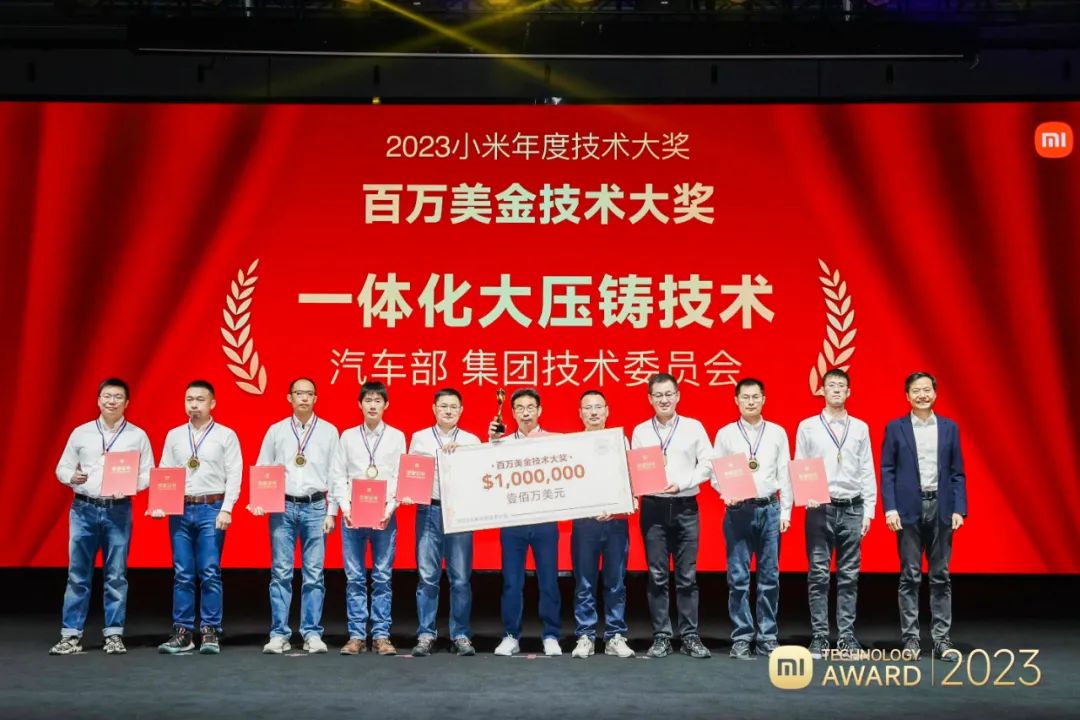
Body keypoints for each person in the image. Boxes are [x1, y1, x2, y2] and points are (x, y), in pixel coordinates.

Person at [50, 378, 154, 655]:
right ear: (98, 400)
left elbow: (148, 473)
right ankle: (70, 635)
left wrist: (131, 485)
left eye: (118, 397)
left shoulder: (137, 435)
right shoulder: (81, 433)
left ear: (127, 403)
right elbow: (62, 468)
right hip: (83, 509)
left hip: (118, 509)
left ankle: (114, 634)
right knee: (78, 574)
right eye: (107, 396)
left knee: (116, 575)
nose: (112, 401)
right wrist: (71, 476)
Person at [881, 371, 967, 662]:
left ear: (935, 393)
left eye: (927, 389)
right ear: (907, 396)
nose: (922, 395)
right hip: (907, 510)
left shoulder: (949, 427)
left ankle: (942, 640)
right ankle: (911, 640)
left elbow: (957, 472)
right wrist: (890, 509)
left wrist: (959, 508)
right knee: (910, 575)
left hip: (941, 507)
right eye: (916, 391)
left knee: (941, 576)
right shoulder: (896, 428)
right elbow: (887, 470)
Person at [253, 377, 342, 655]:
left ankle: (312, 633)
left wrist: (332, 511)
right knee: (280, 572)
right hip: (283, 506)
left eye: (309, 393)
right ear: (289, 397)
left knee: (314, 574)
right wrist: (260, 500)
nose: (304, 398)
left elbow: (336, 474)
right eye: (299, 393)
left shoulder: (329, 431)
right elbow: (264, 467)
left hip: (316, 507)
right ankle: (279, 633)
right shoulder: (277, 430)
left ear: (316, 398)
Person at [154, 380, 243, 655]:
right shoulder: (174, 436)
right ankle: (182, 632)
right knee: (182, 572)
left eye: (200, 400)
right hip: (180, 509)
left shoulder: (226, 435)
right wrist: (160, 503)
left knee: (209, 571)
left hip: (211, 508)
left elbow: (235, 474)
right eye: (189, 399)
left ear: (212, 403)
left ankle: (210, 630)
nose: (194, 405)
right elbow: (166, 471)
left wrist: (227, 508)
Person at [793, 369, 875, 659]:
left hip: (852, 507)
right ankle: (819, 637)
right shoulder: (808, 426)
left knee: (849, 575)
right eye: (831, 385)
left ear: (849, 392)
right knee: (818, 574)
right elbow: (800, 463)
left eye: (842, 385)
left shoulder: (860, 427)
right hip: (820, 508)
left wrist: (869, 510)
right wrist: (805, 493)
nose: (837, 389)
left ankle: (846, 637)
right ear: (823, 390)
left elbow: (867, 469)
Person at [630, 373, 713, 660]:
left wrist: (685, 482)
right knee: (657, 575)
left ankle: (690, 636)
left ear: (678, 396)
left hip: (685, 505)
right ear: (649, 399)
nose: (664, 399)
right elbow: (636, 469)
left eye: (669, 394)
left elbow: (708, 463)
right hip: (653, 507)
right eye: (658, 395)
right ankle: (662, 636)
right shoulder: (641, 431)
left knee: (687, 575)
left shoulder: (693, 427)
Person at [713, 377, 793, 660]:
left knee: (770, 577)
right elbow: (716, 473)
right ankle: (742, 637)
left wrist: (786, 511)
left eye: (755, 397)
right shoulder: (726, 434)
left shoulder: (777, 432)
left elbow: (785, 473)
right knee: (738, 578)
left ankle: (768, 637)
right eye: (745, 397)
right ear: (736, 401)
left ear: (764, 399)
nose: (750, 402)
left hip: (770, 509)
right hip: (738, 511)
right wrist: (725, 492)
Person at [405, 388, 481, 657]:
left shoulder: (471, 440)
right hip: (429, 509)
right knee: (428, 577)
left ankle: (460, 634)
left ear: (461, 410)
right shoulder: (420, 438)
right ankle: (426, 634)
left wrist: (462, 455)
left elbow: (479, 477)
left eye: (453, 407)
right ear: (434, 409)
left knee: (460, 578)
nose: (448, 411)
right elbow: (413, 473)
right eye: (443, 406)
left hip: (459, 512)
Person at [333, 380, 406, 656]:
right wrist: (345, 508)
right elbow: (338, 475)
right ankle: (355, 636)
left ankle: (381, 636)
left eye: (378, 400)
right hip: (353, 516)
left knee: (383, 577)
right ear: (359, 404)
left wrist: (389, 509)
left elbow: (400, 476)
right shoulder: (348, 436)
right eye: (368, 400)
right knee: (354, 578)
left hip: (384, 516)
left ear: (386, 405)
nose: (373, 405)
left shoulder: (397, 436)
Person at [488, 388, 562, 657]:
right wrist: (491, 444)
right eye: (519, 408)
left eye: (531, 407)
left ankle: (551, 635)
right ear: (512, 412)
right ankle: (511, 635)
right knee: (511, 582)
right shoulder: (502, 443)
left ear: (540, 410)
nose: (525, 412)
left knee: (549, 581)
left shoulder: (555, 441)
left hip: (544, 521)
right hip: (513, 522)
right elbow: (486, 473)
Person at [570, 390, 634, 659]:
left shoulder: (620, 440)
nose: (593, 412)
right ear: (580, 413)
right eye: (588, 408)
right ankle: (585, 635)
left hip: (615, 522)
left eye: (598, 407)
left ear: (607, 411)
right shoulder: (572, 444)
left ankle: (614, 636)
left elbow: (630, 477)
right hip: (585, 524)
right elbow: (568, 485)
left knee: (615, 583)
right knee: (584, 583)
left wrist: (622, 504)